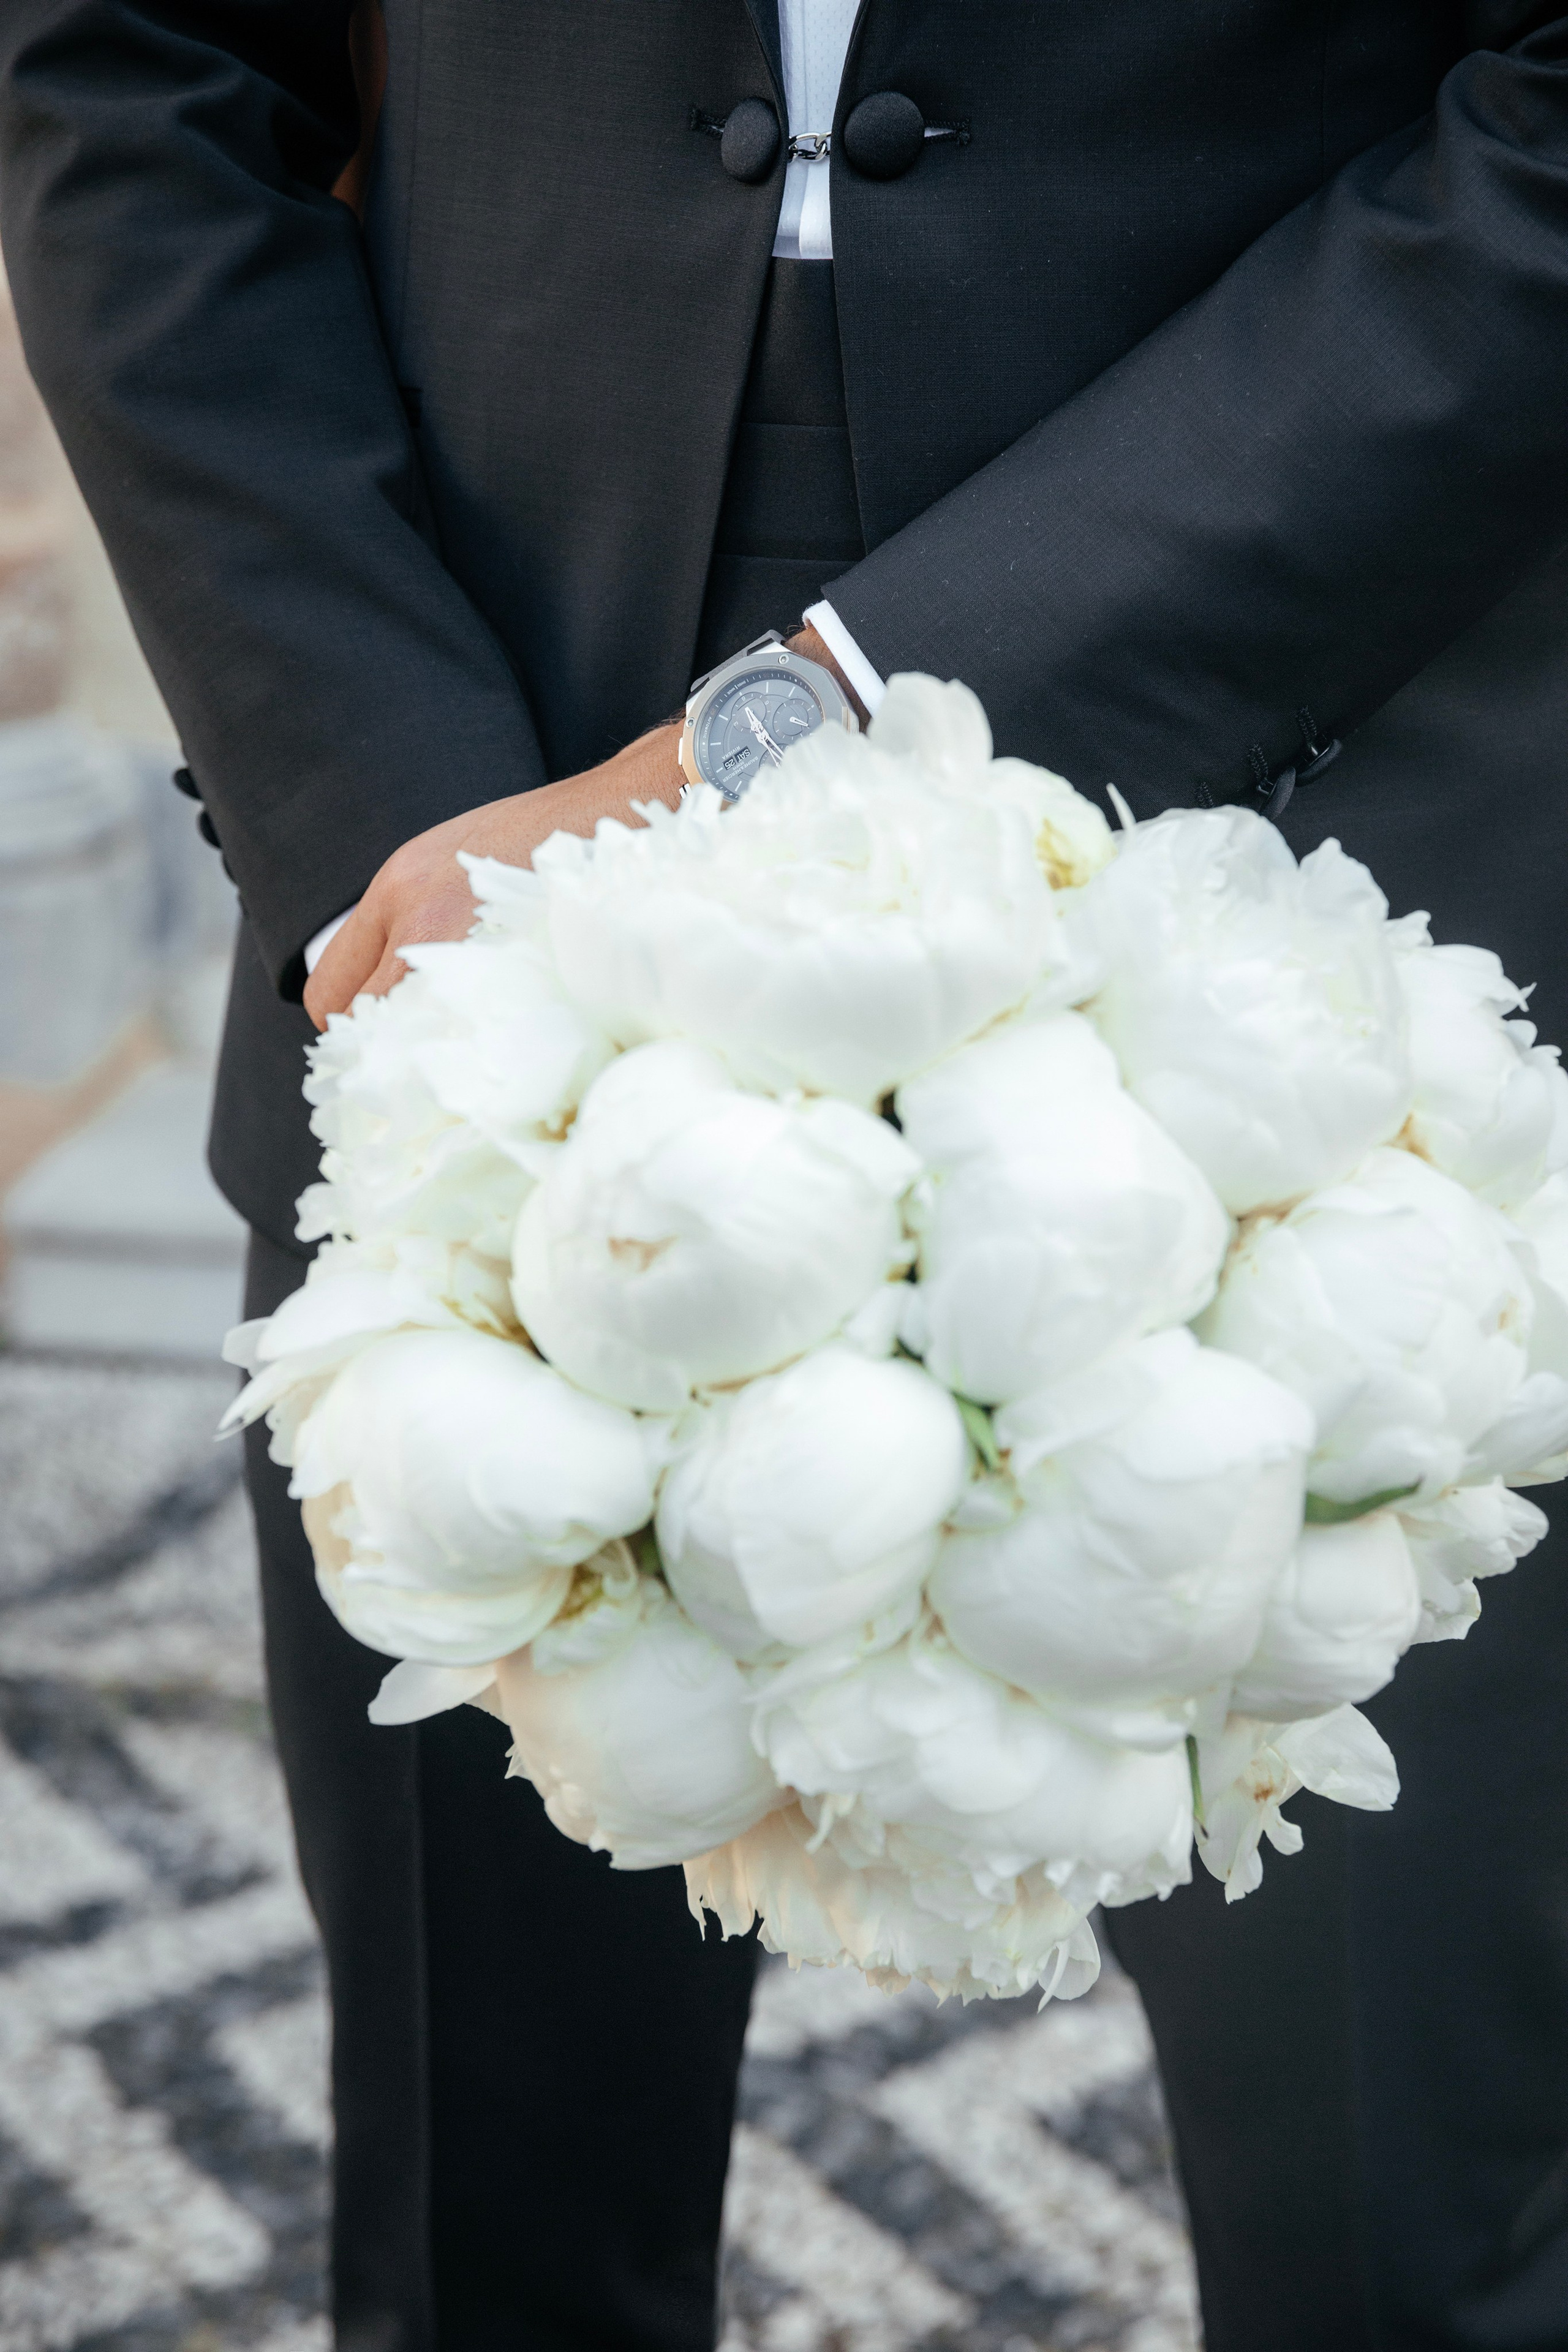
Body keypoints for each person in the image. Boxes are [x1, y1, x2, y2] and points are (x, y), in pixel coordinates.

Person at [5, 4, 1568, 2345]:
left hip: (1320, 807)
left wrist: (805, 724)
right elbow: (136, 61)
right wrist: (397, 843)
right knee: (482, 2223)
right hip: (466, 779)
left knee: (1397, 2228)